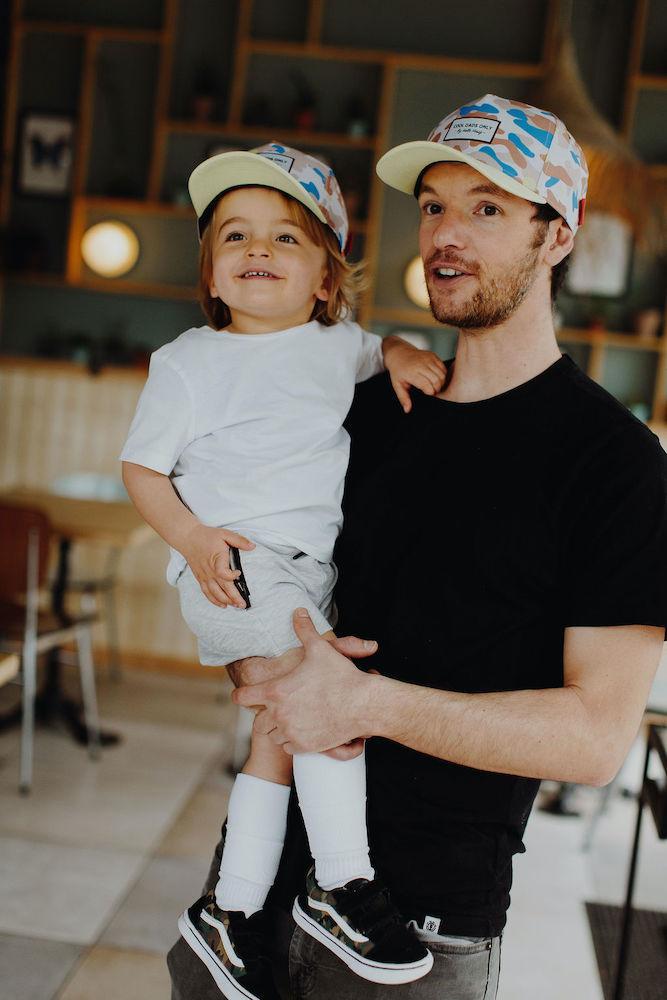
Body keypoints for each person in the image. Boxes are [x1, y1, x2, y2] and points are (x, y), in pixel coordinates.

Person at [167, 96, 667, 1000]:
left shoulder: (616, 465)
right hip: (252, 893)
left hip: (422, 930)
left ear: (558, 235)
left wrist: (366, 702)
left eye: (487, 208)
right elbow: (256, 589)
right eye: (433, 205)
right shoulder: (359, 412)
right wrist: (258, 663)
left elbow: (596, 739)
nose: (446, 233)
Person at [121, 143, 447, 1000]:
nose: (256, 249)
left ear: (325, 278)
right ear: (213, 273)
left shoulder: (338, 346)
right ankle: (342, 883)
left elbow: (385, 350)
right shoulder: (189, 361)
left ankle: (229, 915)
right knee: (327, 701)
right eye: (235, 235)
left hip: (307, 573)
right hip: (233, 560)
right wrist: (191, 539)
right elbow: (143, 472)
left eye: (285, 238)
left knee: (280, 732)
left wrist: (407, 352)